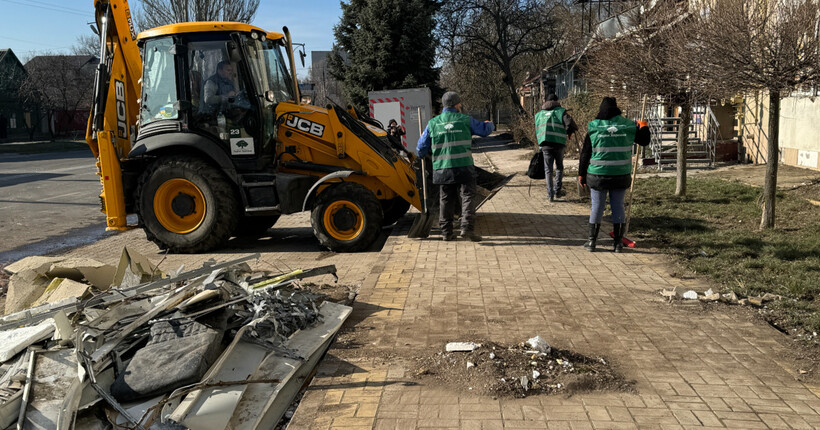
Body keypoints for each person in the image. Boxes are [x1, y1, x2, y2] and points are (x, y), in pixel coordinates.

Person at [417, 91, 494, 242]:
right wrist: (490, 123)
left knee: (445, 199)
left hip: (442, 169)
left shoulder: (433, 123)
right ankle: (466, 228)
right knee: (467, 197)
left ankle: (446, 233)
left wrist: (423, 156)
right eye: (460, 104)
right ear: (457, 105)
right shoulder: (465, 120)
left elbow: (420, 148)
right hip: (464, 167)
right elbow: (485, 131)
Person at [578, 97, 650, 253]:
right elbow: (644, 141)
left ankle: (592, 242)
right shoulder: (628, 126)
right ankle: (617, 243)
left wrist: (581, 174)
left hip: (598, 175)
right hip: (620, 174)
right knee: (618, 206)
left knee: (597, 206)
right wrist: (644, 127)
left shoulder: (594, 127)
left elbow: (585, 153)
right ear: (617, 109)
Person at [534, 93, 577, 202]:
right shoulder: (560, 111)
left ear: (546, 101)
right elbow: (570, 123)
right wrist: (570, 131)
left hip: (545, 145)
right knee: (559, 167)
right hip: (559, 144)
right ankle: (557, 190)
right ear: (557, 101)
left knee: (548, 170)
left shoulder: (539, 114)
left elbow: (538, 129)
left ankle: (550, 195)